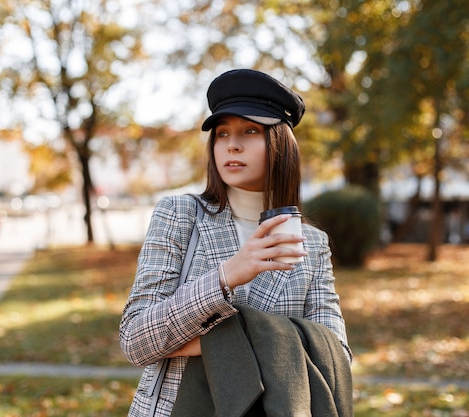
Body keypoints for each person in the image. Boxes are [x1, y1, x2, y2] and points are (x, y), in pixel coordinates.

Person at [119, 69, 352, 416]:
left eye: (250, 131)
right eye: (222, 132)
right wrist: (227, 275)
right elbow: (137, 342)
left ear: (280, 144)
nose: (232, 143)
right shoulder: (180, 214)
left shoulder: (312, 245)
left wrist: (218, 342)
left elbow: (334, 355)